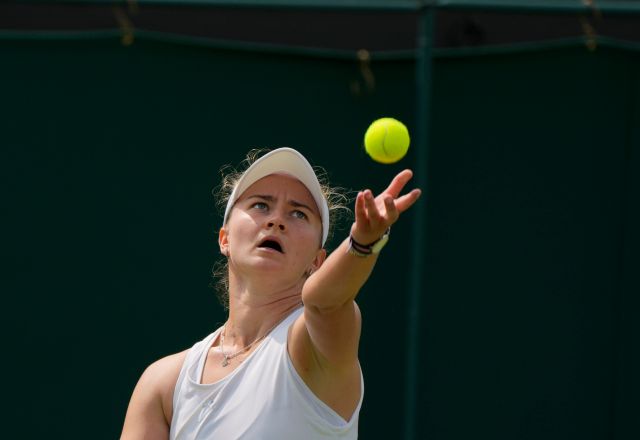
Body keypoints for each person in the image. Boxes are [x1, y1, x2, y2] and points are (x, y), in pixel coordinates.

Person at [120, 147, 421, 439]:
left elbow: (324, 301)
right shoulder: (163, 383)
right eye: (260, 205)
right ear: (224, 239)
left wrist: (362, 243)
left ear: (317, 261)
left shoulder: (312, 345)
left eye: (299, 214)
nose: (276, 220)